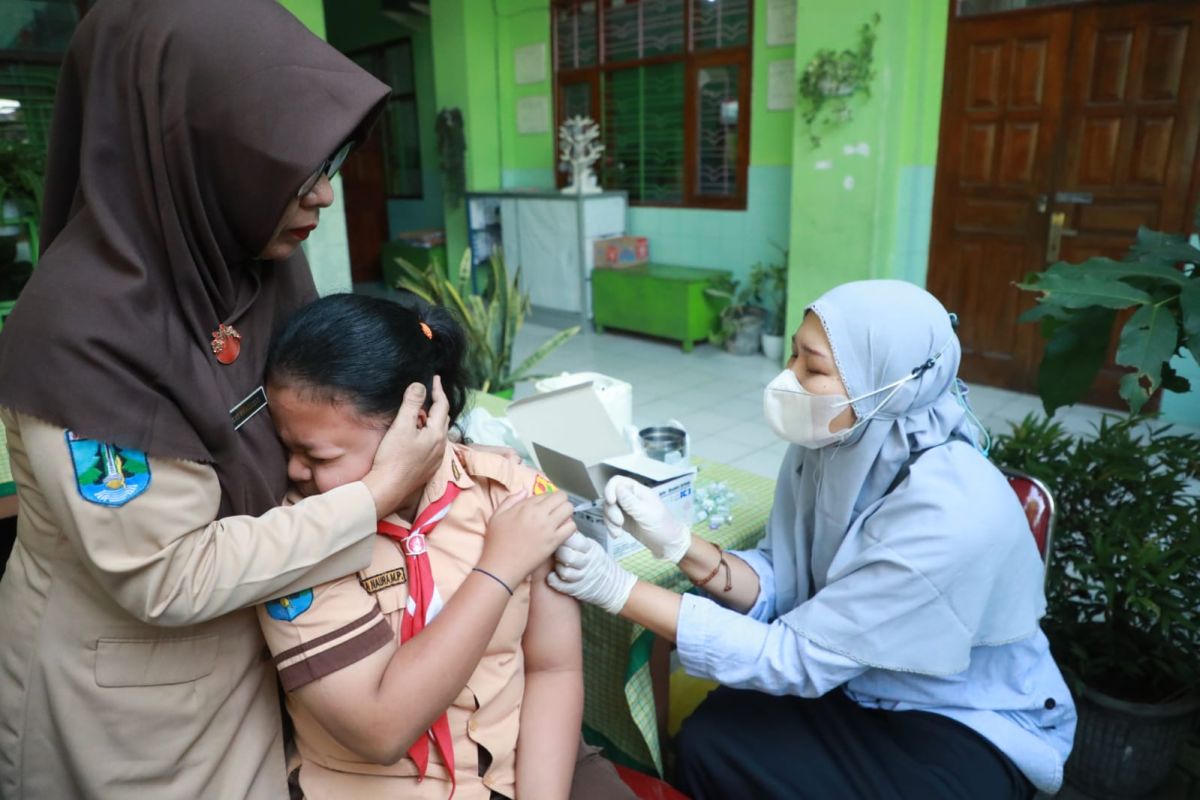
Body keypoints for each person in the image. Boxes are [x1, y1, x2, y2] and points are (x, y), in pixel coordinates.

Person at [0, 1, 443, 797]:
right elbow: (164, 577)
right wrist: (377, 491)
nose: (324, 197)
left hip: (257, 649)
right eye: (293, 169)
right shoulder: (80, 331)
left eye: (327, 162)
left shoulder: (247, 264)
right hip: (135, 709)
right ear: (190, 152)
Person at [550, 280, 1077, 799]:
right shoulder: (835, 444)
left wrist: (617, 589)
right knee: (710, 742)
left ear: (889, 382)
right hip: (854, 677)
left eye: (814, 366)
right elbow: (788, 577)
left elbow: (794, 657)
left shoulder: (949, 516)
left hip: (960, 713)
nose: (789, 377)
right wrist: (680, 545)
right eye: (793, 355)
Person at [257, 293, 635, 800]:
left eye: (316, 455)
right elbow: (379, 730)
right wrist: (498, 570)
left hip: (518, 761)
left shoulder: (511, 495)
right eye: (287, 447)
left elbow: (553, 667)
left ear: (419, 424)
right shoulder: (296, 539)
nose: (295, 472)